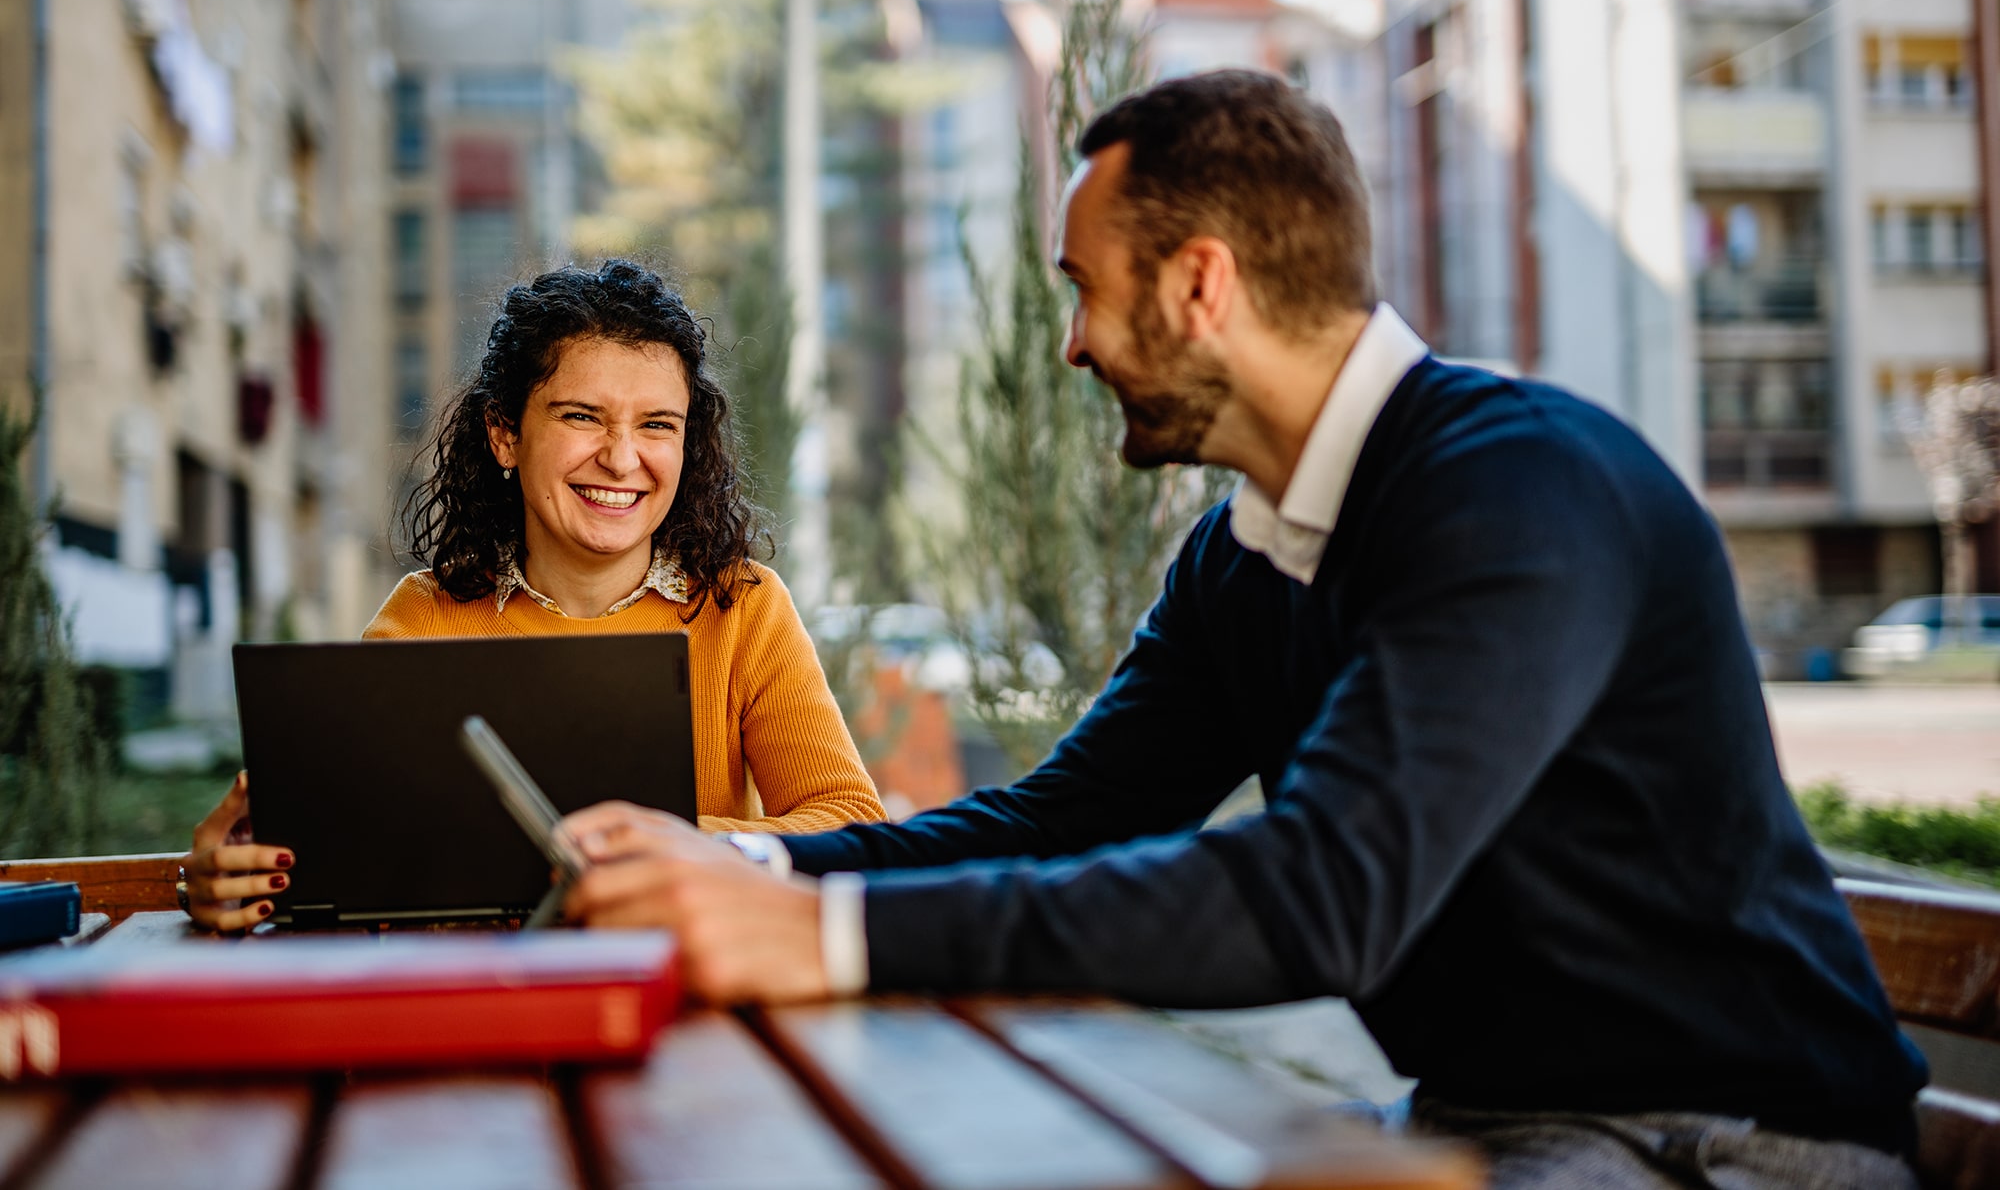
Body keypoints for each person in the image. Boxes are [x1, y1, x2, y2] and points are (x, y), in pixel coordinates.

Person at [551, 73, 1927, 1187]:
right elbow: (1067, 816)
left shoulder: (1516, 495)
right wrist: (751, 868)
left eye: (1085, 288)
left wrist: (832, 943)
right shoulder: (1245, 551)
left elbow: (1323, 892)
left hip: (1726, 1145)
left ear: (1200, 284)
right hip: (1489, 1127)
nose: (1075, 345)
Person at [181, 259, 886, 931]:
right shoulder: (425, 615)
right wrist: (232, 874)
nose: (621, 456)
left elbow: (851, 819)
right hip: (473, 1003)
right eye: (582, 416)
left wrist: (665, 844)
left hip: (684, 1004)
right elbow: (334, 837)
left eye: (657, 425)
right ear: (505, 435)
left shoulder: (745, 606)